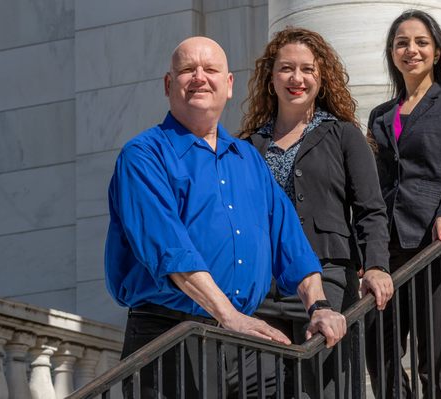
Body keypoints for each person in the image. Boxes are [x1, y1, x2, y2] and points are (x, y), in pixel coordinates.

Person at [104, 36, 347, 398]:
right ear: (169, 84)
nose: (200, 77)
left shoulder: (248, 159)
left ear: (229, 84)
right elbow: (170, 251)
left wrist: (320, 305)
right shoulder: (142, 156)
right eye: (188, 69)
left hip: (245, 342)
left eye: (211, 69)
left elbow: (289, 240)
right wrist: (229, 316)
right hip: (170, 338)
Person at [240, 27, 393, 398]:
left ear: (321, 77)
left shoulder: (343, 134)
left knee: (328, 387)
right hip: (264, 287)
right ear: (270, 77)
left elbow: (371, 209)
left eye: (307, 69)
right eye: (286, 68)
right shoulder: (248, 146)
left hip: (327, 276)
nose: (297, 78)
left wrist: (376, 265)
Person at [365, 9, 441, 398]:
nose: (410, 49)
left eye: (420, 42)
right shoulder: (380, 115)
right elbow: (377, 185)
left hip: (435, 244)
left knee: (437, 358)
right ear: (392, 53)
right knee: (379, 351)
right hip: (388, 247)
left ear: (437, 54)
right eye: (401, 43)